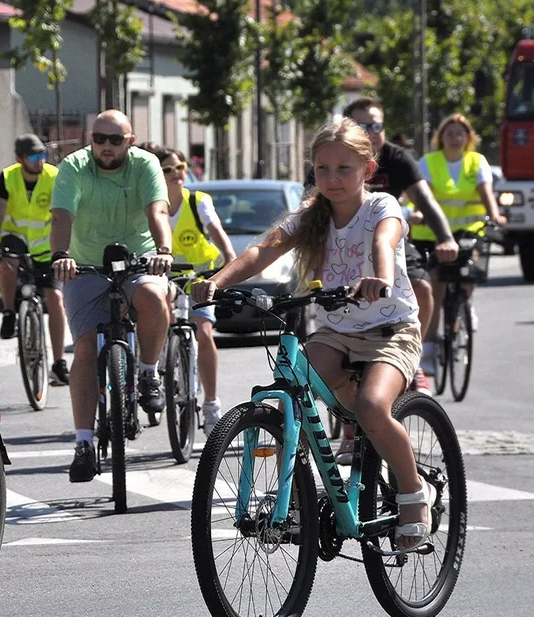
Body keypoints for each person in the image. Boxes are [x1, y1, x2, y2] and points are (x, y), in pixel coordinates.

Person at [192, 117, 434, 551]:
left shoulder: (382, 207)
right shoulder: (311, 215)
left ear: (368, 168)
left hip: (390, 330)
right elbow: (262, 249)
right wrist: (218, 281)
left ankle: (414, 495)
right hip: (337, 333)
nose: (333, 179)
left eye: (344, 169)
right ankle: (300, 493)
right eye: (323, 169)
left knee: (372, 409)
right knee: (292, 392)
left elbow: (384, 241)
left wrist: (379, 276)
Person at [308, 98, 458, 464]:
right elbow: (284, 235)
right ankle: (308, 482)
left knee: (421, 286)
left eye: (376, 127)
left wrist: (445, 237)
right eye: (364, 127)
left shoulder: (396, 162)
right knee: (310, 376)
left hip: (388, 260)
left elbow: (390, 234)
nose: (371, 133)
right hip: (342, 299)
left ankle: (411, 361)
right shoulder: (327, 180)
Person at [51, 110, 174, 483]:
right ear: (91, 138)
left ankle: (149, 372)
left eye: (115, 140)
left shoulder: (146, 165)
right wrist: (61, 256)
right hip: (85, 265)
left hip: (139, 262)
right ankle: (84, 444)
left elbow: (157, 210)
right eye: (99, 139)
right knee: (86, 350)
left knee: (154, 300)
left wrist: (164, 250)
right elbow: (62, 216)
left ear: (130, 141)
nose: (105, 147)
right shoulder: (73, 166)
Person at [140, 142, 237, 436]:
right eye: (167, 169)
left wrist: (230, 260)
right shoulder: (150, 204)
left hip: (198, 276)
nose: (176, 174)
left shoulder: (198, 201)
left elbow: (216, 231)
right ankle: (153, 373)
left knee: (204, 330)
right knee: (156, 314)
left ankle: (210, 404)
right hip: (164, 277)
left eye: (180, 167)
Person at [413, 113, 506, 368]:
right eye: (450, 133)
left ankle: (466, 303)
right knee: (436, 285)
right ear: (441, 138)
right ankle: (429, 348)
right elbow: (424, 196)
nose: (456, 138)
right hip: (433, 233)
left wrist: (495, 215)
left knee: (470, 269)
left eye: (460, 134)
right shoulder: (429, 162)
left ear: (469, 138)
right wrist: (419, 215)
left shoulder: (477, 161)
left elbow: (486, 192)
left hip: (467, 230)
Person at [0, 133, 69, 385]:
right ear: (20, 159)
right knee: (8, 260)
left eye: (42, 155)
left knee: (55, 297)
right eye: (33, 156)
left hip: (46, 244)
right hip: (15, 237)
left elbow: (66, 213)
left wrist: (68, 248)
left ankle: (59, 363)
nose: (39, 161)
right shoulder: (7, 178)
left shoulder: (55, 177)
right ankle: (9, 312)